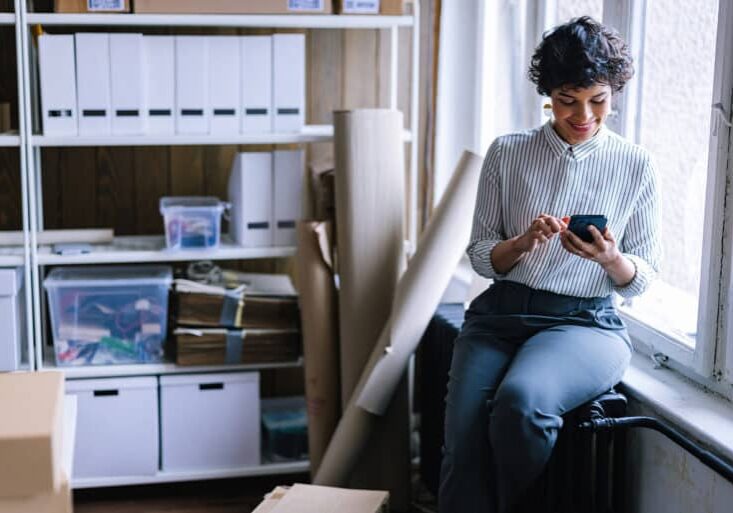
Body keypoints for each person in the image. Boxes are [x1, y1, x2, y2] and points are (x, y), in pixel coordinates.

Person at [438, 16, 661, 513]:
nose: (583, 114)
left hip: (586, 323)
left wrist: (611, 259)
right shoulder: (508, 153)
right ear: (548, 94)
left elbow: (641, 279)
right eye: (567, 99)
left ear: (614, 93)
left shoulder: (636, 164)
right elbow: (481, 257)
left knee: (522, 406)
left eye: (598, 99)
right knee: (462, 447)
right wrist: (520, 244)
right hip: (499, 316)